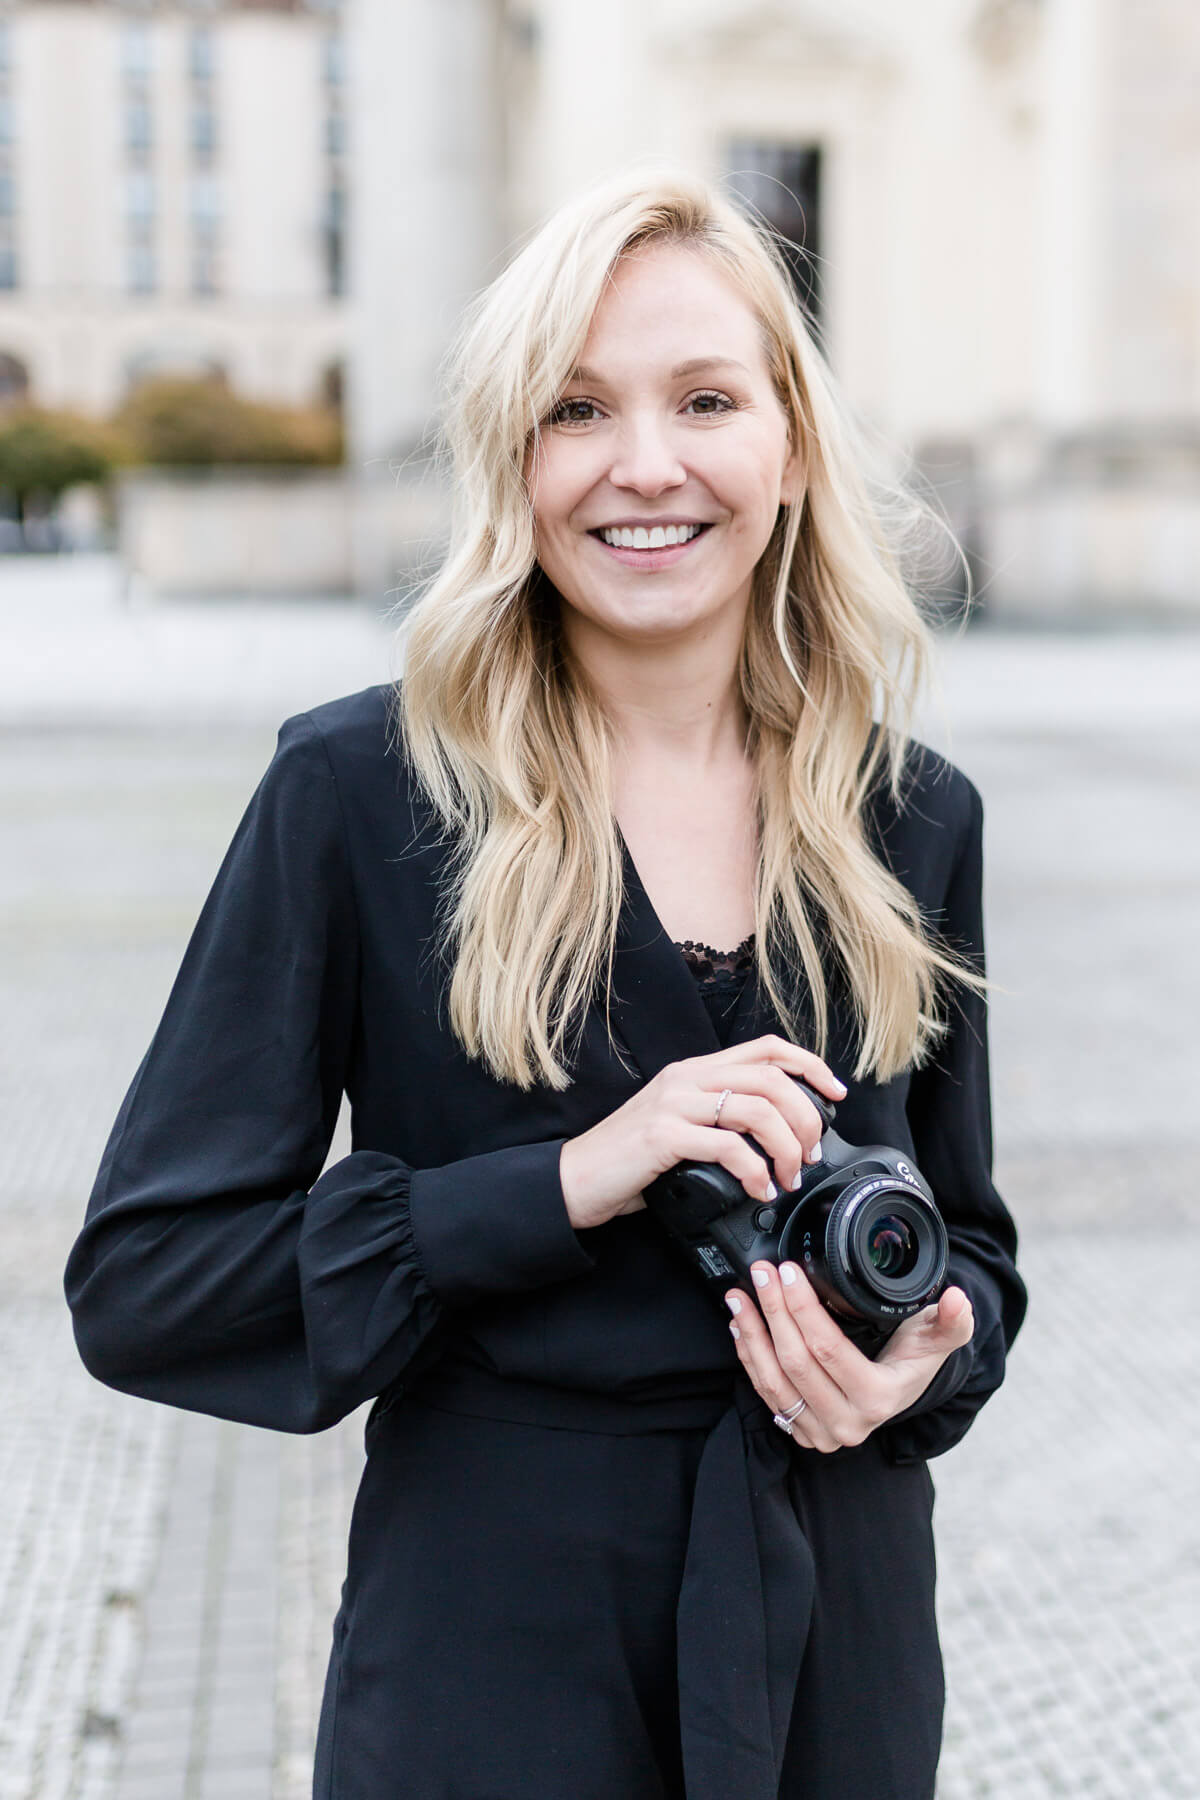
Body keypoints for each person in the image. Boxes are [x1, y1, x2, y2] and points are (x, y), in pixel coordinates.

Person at [64, 171, 1026, 1800]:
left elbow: (975, 1249)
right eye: (578, 408)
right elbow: (147, 1283)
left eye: (706, 400)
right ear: (515, 459)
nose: (645, 464)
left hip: (839, 1654)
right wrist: (568, 1181)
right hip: (495, 1659)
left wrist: (927, 1352)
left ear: (788, 449)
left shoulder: (914, 814)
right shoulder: (358, 796)